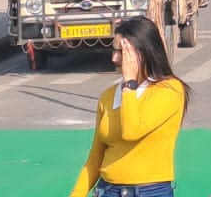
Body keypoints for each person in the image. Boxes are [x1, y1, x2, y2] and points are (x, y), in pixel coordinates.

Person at [70, 17, 190, 197]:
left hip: (149, 192)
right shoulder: (108, 96)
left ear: (144, 53)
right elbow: (96, 157)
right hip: (107, 190)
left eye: (122, 51)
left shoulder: (170, 90)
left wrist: (130, 84)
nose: (114, 58)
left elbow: (132, 130)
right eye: (114, 50)